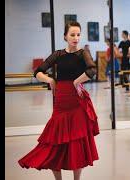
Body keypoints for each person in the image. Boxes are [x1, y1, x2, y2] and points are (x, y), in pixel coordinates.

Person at [18, 22, 100, 180]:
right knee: (55, 141)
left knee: (77, 142)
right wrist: (50, 80)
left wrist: (77, 82)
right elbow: (38, 72)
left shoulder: (83, 53)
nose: (76, 38)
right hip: (61, 100)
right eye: (72, 35)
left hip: (77, 99)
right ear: (65, 36)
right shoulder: (58, 54)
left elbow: (92, 70)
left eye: (78, 34)